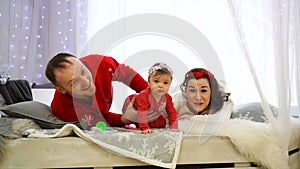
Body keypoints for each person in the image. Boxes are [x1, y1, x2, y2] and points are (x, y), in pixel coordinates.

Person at [45, 53, 148, 128]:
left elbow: (127, 74)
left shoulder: (101, 64)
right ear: (61, 90)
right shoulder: (65, 111)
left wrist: (148, 93)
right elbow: (101, 120)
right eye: (74, 82)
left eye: (83, 71)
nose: (85, 81)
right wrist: (125, 119)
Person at [122, 63, 179, 134]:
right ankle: (134, 123)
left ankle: (144, 123)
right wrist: (145, 128)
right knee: (139, 117)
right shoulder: (145, 96)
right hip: (134, 107)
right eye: (156, 81)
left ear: (169, 84)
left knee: (162, 123)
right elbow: (142, 113)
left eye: (165, 83)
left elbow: (172, 112)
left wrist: (174, 127)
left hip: (150, 112)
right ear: (149, 82)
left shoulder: (167, 97)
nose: (161, 85)